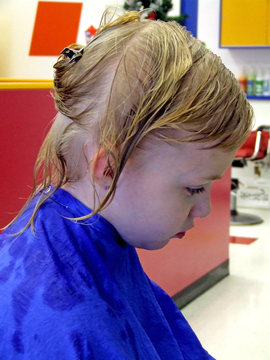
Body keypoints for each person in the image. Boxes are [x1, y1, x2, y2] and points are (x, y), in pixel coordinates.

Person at [0, 9, 253, 360]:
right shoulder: (69, 324)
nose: (205, 208)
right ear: (109, 168)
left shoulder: (83, 223)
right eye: (194, 188)